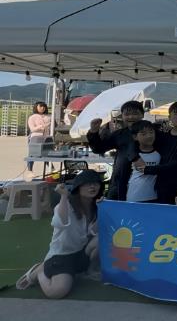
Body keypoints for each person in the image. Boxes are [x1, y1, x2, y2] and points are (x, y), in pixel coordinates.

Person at [15, 170, 102, 298]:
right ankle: (39, 271)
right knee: (57, 292)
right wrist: (64, 196)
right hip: (62, 256)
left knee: (102, 239)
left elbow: (93, 231)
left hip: (80, 253)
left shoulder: (96, 207)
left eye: (95, 183)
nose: (93, 186)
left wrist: (103, 209)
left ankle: (89, 270)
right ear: (78, 187)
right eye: (88, 183)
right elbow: (61, 222)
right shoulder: (67, 204)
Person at [134, 101, 177, 205]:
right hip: (162, 184)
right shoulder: (163, 137)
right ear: (169, 117)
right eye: (175, 114)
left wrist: (150, 169)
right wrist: (135, 157)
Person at [87, 100, 144, 200]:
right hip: (119, 180)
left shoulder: (151, 132)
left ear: (142, 115)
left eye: (135, 114)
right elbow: (99, 148)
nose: (131, 117)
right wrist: (93, 132)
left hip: (144, 180)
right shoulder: (119, 134)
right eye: (127, 114)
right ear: (122, 116)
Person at [126, 120, 160, 203]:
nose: (149, 136)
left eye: (151, 132)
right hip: (135, 195)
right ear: (135, 137)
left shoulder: (161, 152)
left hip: (155, 196)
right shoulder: (133, 155)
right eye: (143, 134)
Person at [27, 101, 52, 173]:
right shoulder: (32, 117)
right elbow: (32, 129)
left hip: (46, 138)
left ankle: (52, 169)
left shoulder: (49, 117)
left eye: (44, 106)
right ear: (36, 107)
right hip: (35, 138)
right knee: (32, 154)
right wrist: (41, 127)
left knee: (47, 154)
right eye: (40, 106)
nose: (42, 108)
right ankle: (30, 170)